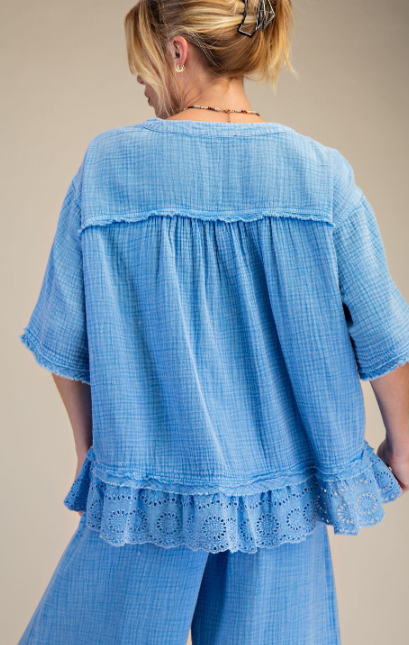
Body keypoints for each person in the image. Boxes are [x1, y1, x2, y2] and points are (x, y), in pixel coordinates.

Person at [17, 1, 409, 644]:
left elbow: (66, 335)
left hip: (145, 494)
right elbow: (385, 336)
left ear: (178, 51)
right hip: (280, 502)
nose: (139, 79)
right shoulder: (321, 175)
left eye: (143, 61)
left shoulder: (109, 165)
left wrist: (92, 452)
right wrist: (402, 441)